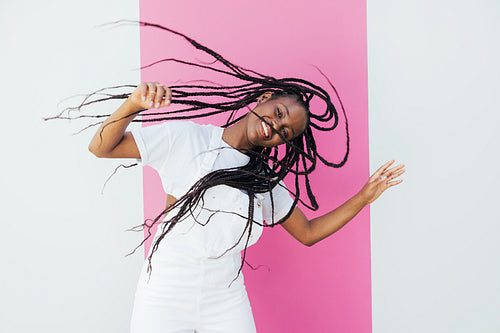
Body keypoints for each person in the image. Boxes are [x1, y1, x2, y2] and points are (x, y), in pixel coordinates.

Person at [82, 22, 405, 333]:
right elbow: (101, 147)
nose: (276, 127)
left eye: (285, 132)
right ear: (264, 99)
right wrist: (134, 104)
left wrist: (364, 196)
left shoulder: (261, 180)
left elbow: (308, 232)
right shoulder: (187, 139)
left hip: (224, 298)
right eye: (279, 114)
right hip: (164, 292)